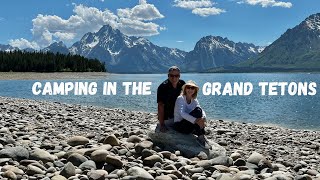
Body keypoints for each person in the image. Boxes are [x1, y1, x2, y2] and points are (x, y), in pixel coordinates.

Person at [173, 80, 210, 149]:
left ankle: (201, 136)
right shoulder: (180, 98)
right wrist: (196, 120)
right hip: (179, 126)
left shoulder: (194, 99)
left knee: (198, 110)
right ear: (185, 89)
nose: (190, 89)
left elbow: (200, 109)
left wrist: (203, 118)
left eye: (192, 88)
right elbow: (182, 113)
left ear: (195, 90)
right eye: (188, 87)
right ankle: (200, 136)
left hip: (188, 124)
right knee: (197, 112)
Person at [157, 66, 185, 132]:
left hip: (180, 115)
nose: (174, 78)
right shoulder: (162, 87)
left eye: (176, 75)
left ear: (179, 76)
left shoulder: (182, 84)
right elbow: (160, 106)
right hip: (169, 118)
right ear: (168, 76)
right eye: (172, 75)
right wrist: (162, 124)